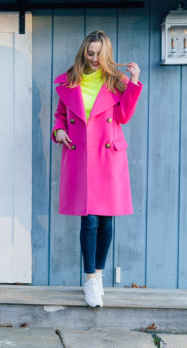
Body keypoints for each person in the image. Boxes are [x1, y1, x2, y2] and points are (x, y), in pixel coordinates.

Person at [52, 30, 142, 308]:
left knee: (106, 221)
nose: (94, 58)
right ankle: (90, 279)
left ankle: (99, 274)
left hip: (108, 154)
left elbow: (124, 117)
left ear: (107, 54)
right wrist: (58, 131)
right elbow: (60, 116)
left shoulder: (117, 82)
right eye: (90, 53)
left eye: (99, 54)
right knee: (88, 219)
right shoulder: (69, 82)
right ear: (83, 53)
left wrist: (134, 83)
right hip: (80, 154)